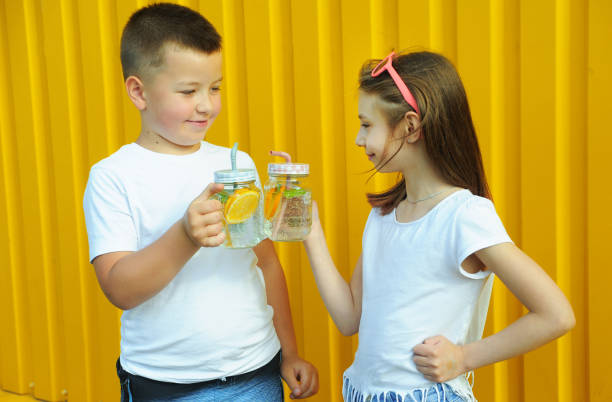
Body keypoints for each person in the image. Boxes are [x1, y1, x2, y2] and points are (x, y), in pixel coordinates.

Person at [302, 50, 575, 402]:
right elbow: (349, 318)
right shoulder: (383, 218)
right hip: (363, 393)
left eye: (367, 124)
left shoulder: (463, 217)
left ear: (410, 127)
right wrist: (312, 235)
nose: (358, 138)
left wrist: (463, 357)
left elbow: (556, 315)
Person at [82, 3, 318, 401]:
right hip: (166, 385)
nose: (207, 104)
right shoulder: (113, 176)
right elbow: (119, 288)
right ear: (138, 92)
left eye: (215, 87)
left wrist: (290, 353)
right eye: (189, 91)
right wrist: (185, 236)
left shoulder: (236, 165)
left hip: (256, 373)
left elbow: (267, 263)